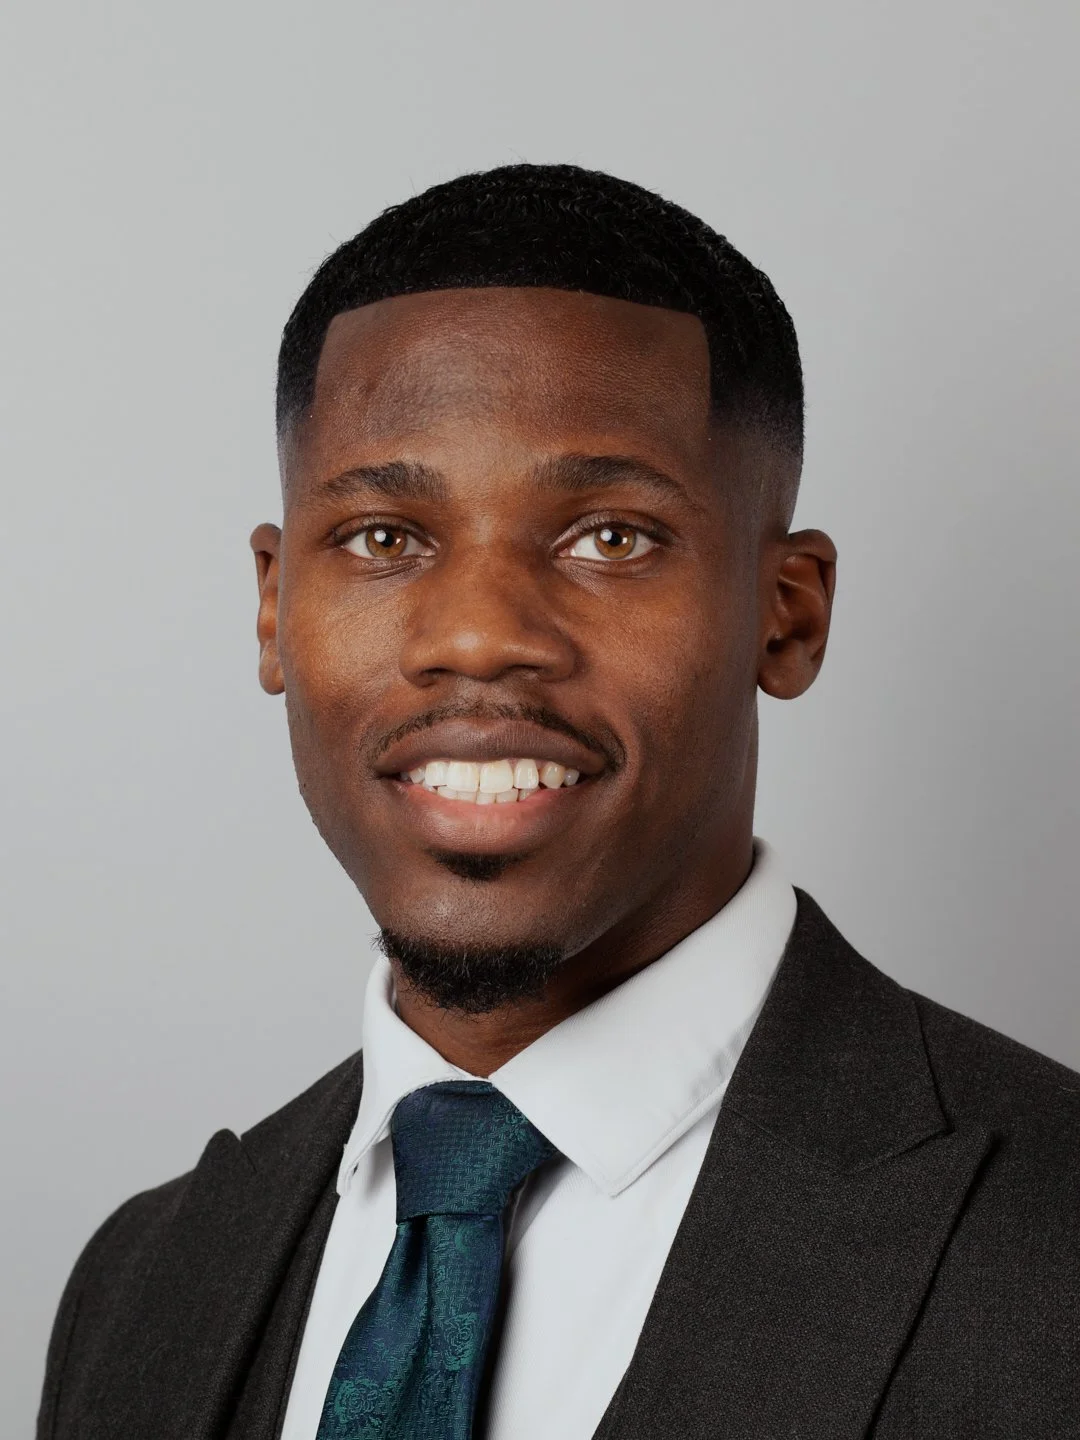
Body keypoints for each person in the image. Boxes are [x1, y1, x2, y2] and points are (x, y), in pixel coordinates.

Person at [37, 164, 1079, 1440]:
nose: (476, 637)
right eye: (382, 539)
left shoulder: (1055, 1245)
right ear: (271, 608)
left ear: (788, 614)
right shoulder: (142, 1282)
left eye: (611, 536)